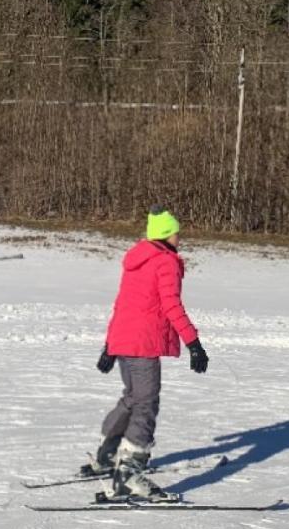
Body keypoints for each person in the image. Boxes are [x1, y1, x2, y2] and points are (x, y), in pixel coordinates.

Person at [89, 205, 209, 500]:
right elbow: (171, 306)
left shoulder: (136, 259)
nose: (180, 238)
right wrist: (194, 343)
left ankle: (106, 454)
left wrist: (110, 345)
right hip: (143, 344)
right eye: (177, 232)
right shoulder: (164, 262)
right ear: (166, 234)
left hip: (125, 341)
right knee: (145, 403)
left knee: (132, 398)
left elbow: (122, 305)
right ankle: (128, 474)